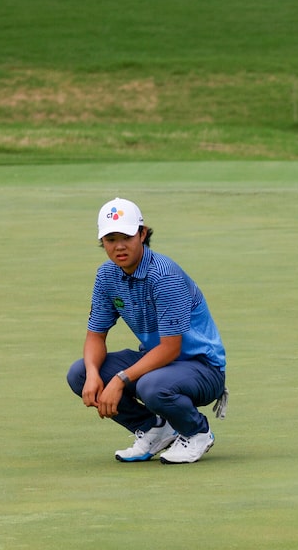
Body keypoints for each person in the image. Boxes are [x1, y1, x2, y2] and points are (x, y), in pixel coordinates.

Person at [66, 198, 228, 464]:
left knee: (151, 386)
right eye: (110, 238)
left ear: (142, 234)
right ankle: (154, 429)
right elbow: (95, 335)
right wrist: (94, 375)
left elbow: (171, 348)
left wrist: (118, 380)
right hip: (156, 363)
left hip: (202, 368)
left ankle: (197, 432)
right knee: (80, 373)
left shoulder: (164, 275)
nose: (119, 246)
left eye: (126, 236)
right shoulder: (107, 275)